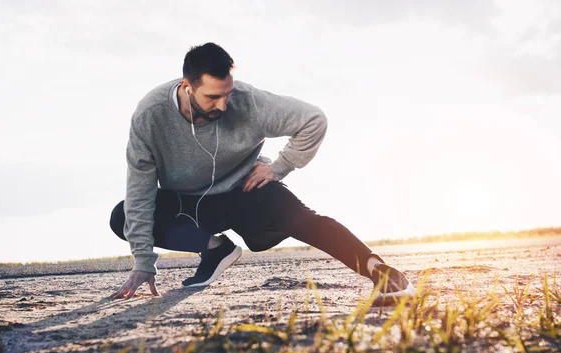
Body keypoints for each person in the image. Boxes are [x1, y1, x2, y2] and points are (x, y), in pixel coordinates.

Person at [109, 43, 415, 305]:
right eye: (213, 97)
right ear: (187, 87)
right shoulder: (150, 116)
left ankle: (380, 271)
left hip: (245, 191)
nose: (223, 104)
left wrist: (279, 167)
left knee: (303, 220)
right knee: (123, 216)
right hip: (187, 205)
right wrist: (143, 260)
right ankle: (215, 248)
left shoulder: (248, 102)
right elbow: (140, 190)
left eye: (227, 93)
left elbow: (313, 120)